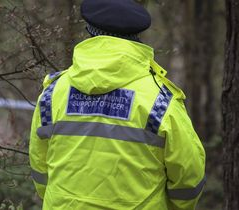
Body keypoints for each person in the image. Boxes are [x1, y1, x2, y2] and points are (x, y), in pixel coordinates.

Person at [29, 0, 206, 209]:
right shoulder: (160, 101)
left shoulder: (52, 93)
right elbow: (188, 179)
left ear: (89, 31)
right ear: (136, 37)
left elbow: (40, 171)